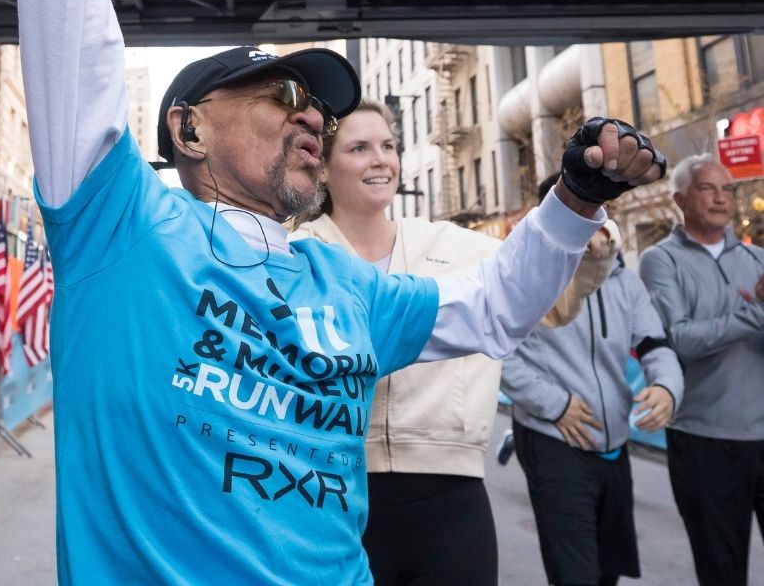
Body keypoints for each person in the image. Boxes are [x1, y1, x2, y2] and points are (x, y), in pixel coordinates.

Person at [17, 0, 666, 584]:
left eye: (319, 105)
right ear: (188, 128)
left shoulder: (345, 284)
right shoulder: (121, 225)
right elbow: (68, 21)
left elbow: (493, 311)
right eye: (279, 97)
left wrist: (572, 197)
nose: (312, 117)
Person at [291, 106, 619, 586]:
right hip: (327, 497)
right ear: (322, 166)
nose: (380, 160)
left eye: (388, 146)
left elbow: (553, 304)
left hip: (451, 500)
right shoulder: (293, 255)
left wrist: (593, 251)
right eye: (359, 148)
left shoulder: (458, 245)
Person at [501, 171, 683, 586]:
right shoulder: (527, 280)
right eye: (575, 212)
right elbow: (501, 357)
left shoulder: (625, 282)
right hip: (553, 442)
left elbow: (656, 344)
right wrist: (556, 404)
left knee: (608, 571)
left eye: (595, 211)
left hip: (615, 445)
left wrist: (667, 386)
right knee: (575, 575)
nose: (590, 222)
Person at [639, 154, 764, 586]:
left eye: (727, 189)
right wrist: (756, 312)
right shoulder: (660, 261)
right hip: (705, 440)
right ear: (679, 199)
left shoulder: (758, 261)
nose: (720, 198)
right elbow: (678, 339)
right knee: (722, 572)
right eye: (707, 188)